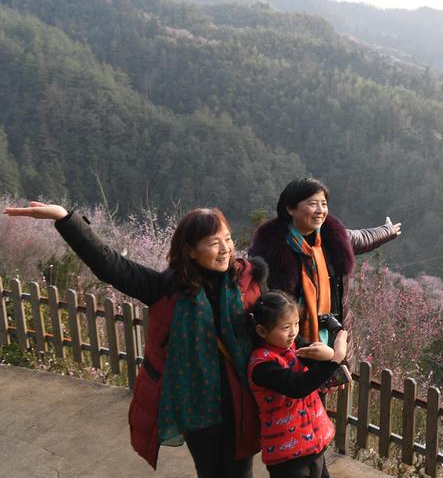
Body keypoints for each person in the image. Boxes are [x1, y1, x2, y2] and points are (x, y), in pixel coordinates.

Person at [4, 202, 266, 478]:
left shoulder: (247, 282)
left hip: (242, 402)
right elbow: (110, 265)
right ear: (190, 250)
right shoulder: (167, 289)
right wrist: (65, 219)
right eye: (214, 243)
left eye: (227, 239)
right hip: (197, 409)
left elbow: (275, 326)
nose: (225, 249)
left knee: (241, 473)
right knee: (210, 472)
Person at [248, 176, 400, 349]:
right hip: (290, 344)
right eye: (313, 204)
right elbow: (260, 301)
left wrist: (388, 230)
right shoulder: (269, 250)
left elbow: (363, 237)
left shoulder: (333, 238)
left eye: (324, 204)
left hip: (335, 337)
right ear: (290, 208)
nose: (320, 210)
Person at [247, 291, 348, 478]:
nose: (293, 332)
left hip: (314, 445)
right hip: (287, 457)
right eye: (285, 327)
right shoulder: (261, 365)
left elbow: (317, 366)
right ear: (262, 331)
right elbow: (297, 386)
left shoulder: (295, 346)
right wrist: (336, 359)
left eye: (296, 324)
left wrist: (328, 356)